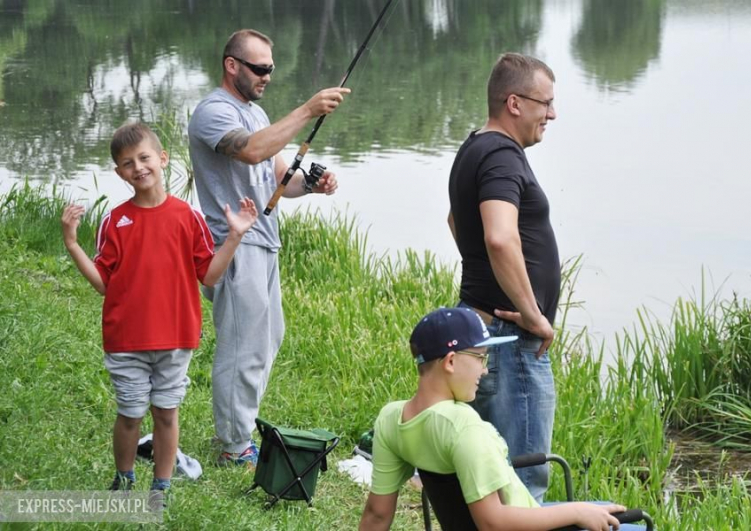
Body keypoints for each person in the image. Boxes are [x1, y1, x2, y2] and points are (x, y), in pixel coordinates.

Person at [61, 121, 258, 494]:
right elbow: (103, 283)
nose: (138, 167)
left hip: (175, 339)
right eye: (128, 163)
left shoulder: (188, 217)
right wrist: (72, 244)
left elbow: (210, 277)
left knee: (167, 414)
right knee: (131, 414)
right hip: (126, 340)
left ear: (163, 159)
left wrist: (234, 236)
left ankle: (161, 487)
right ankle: (124, 479)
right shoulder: (115, 220)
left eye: (144, 157)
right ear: (120, 172)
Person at [188, 29, 350, 466]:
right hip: (233, 243)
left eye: (271, 70)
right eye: (259, 69)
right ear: (231, 65)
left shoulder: (256, 114)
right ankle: (233, 444)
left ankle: (238, 428)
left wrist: (312, 186)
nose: (266, 77)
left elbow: (281, 178)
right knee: (243, 346)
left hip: (264, 240)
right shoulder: (212, 112)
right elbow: (251, 152)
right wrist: (307, 109)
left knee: (267, 338)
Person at [359, 308, 635, 531]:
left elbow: (377, 515)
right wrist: (576, 510)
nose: (485, 369)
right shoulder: (463, 426)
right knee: (634, 522)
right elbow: (493, 523)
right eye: (480, 357)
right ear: (451, 362)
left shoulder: (391, 418)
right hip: (528, 524)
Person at [447, 53, 560, 501]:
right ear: (514, 102)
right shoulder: (500, 154)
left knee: (488, 479)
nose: (552, 114)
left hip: (485, 329)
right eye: (545, 103)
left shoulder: (475, 146)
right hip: (509, 340)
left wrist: (485, 282)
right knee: (523, 480)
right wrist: (533, 316)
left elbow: (456, 221)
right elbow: (498, 237)